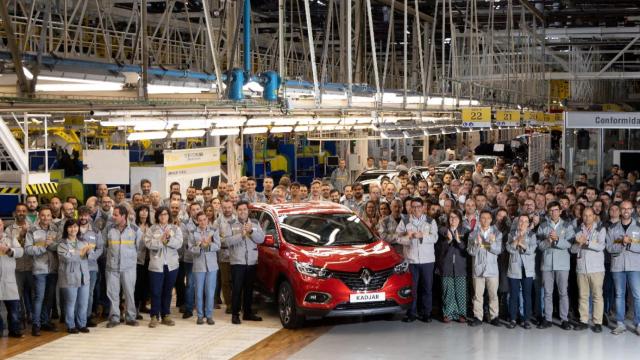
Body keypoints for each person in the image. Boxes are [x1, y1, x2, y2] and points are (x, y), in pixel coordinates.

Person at [396, 197, 438, 322]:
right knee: (412, 289)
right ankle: (411, 313)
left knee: (427, 288)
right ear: (410, 208)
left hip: (427, 260)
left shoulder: (430, 221)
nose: (416, 209)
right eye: (413, 207)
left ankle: (426, 313)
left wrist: (422, 236)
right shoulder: (405, 221)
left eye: (418, 206)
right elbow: (397, 238)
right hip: (411, 260)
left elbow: (435, 238)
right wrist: (408, 238)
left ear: (423, 207)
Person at [224, 201, 265, 324]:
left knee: (249, 289)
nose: (242, 212)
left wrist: (251, 231)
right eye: (240, 210)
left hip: (251, 261)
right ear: (236, 211)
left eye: (245, 209)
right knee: (237, 289)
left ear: (248, 211)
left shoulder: (255, 223)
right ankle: (235, 314)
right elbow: (227, 242)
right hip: (238, 262)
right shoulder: (231, 224)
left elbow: (261, 239)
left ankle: (247, 313)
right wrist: (241, 235)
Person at [536, 201, 575, 330]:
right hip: (547, 264)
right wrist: (548, 240)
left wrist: (557, 240)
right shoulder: (543, 226)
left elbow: (569, 244)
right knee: (547, 293)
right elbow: (539, 246)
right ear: (548, 212)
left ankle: (564, 319)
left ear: (560, 211)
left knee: (563, 292)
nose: (554, 212)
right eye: (551, 210)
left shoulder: (567, 226)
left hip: (563, 264)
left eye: (556, 210)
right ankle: (547, 319)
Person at [104, 205, 143, 328]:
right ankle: (114, 318)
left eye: (116, 215)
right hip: (112, 267)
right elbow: (104, 246)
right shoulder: (109, 228)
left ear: (123, 216)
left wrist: (130, 258)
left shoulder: (135, 230)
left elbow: (140, 248)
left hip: (129, 268)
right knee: (112, 293)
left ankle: (130, 317)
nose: (113, 217)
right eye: (113, 214)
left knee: (129, 293)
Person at [606, 200, 640, 335]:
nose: (626, 211)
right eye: (623, 209)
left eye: (628, 208)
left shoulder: (638, 226)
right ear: (620, 211)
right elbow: (609, 247)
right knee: (619, 295)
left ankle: (638, 323)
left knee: (637, 295)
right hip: (618, 266)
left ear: (632, 210)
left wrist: (630, 244)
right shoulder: (613, 228)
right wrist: (621, 243)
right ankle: (620, 324)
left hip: (635, 266)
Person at [145, 207, 183, 328]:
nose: (163, 217)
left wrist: (168, 240)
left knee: (168, 291)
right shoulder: (151, 229)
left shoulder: (175, 228)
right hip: (156, 265)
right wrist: (161, 242)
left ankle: (166, 314)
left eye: (165, 214)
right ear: (157, 216)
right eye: (160, 215)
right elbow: (148, 243)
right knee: (156, 291)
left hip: (171, 265)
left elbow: (179, 243)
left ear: (169, 216)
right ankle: (154, 316)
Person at [25, 206, 59, 336]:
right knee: (39, 297)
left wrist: (51, 245)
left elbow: (58, 246)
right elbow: (28, 249)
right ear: (39, 216)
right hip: (39, 268)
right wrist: (44, 247)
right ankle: (36, 324)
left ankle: (45, 321)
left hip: (53, 269)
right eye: (43, 215)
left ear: (51, 216)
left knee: (49, 298)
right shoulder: (32, 230)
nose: (46, 218)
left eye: (48, 215)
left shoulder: (55, 229)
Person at [571, 208, 606, 333]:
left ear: (594, 216)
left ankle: (597, 322)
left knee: (597, 296)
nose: (587, 218)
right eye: (585, 215)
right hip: (581, 269)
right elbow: (573, 250)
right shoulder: (577, 230)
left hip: (596, 269)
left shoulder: (600, 229)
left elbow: (601, 246)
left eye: (590, 215)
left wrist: (586, 241)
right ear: (582, 216)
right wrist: (578, 244)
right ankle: (584, 320)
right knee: (583, 296)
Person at [467, 210, 503, 327]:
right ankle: (478, 317)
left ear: (491, 219)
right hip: (478, 269)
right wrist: (477, 244)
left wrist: (487, 244)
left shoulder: (497, 234)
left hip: (492, 270)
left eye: (488, 218)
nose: (485, 220)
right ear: (479, 219)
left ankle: (494, 317)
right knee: (477, 295)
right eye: (483, 218)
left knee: (493, 295)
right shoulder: (473, 234)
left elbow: (498, 250)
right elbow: (470, 252)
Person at [58, 219, 94, 334]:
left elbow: (91, 256)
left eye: (75, 226)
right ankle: (71, 325)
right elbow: (68, 258)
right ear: (66, 229)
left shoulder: (83, 241)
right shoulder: (62, 243)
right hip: (69, 277)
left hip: (84, 276)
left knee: (83, 303)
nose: (73, 229)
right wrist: (81, 252)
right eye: (70, 227)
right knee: (70, 303)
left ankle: (82, 324)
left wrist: (88, 251)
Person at [436, 210, 469, 323]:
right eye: (451, 217)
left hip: (460, 266)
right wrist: (448, 240)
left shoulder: (465, 231)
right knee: (447, 291)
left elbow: (467, 250)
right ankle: (448, 313)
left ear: (460, 219)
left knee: (460, 291)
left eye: (455, 217)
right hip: (446, 266)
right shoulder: (442, 231)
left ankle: (461, 314)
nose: (453, 220)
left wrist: (459, 241)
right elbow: (439, 250)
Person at [505, 215, 537, 329]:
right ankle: (513, 318)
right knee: (513, 295)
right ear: (517, 223)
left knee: (527, 295)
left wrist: (522, 244)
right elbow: (509, 248)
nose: (523, 223)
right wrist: (515, 242)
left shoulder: (532, 235)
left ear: (529, 223)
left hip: (527, 269)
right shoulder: (511, 234)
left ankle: (526, 319)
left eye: (525, 221)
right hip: (514, 268)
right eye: (521, 221)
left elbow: (532, 250)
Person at [189, 212, 221, 325]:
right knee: (198, 292)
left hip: (212, 266)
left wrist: (209, 245)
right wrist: (200, 246)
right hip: (199, 266)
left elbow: (218, 246)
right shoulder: (193, 232)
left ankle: (209, 316)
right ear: (197, 221)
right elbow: (190, 249)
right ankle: (199, 316)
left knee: (210, 292)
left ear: (207, 219)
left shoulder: (213, 231)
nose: (202, 222)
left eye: (204, 219)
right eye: (200, 220)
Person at [6, 203, 33, 327]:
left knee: (32, 294)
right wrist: (21, 235)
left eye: (23, 210)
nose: (21, 213)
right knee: (18, 295)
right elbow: (10, 248)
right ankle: (21, 318)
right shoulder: (9, 229)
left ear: (27, 212)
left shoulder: (33, 227)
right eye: (18, 211)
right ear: (14, 213)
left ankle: (32, 316)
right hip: (16, 268)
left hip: (32, 266)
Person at [76, 207, 103, 328]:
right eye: (81, 215)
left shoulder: (96, 231)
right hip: (76, 267)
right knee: (76, 293)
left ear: (89, 216)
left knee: (89, 293)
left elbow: (100, 248)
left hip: (91, 267)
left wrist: (92, 257)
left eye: (85, 215)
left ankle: (86, 317)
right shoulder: (73, 229)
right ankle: (77, 318)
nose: (83, 218)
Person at [0, 218, 25, 337]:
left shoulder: (9, 238)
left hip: (9, 278)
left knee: (14, 307)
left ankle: (14, 330)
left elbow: (20, 251)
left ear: (2, 225)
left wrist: (9, 250)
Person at [215, 200, 236, 314]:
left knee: (237, 281)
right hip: (223, 256)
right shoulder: (217, 222)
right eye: (225, 207)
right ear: (221, 208)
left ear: (232, 207)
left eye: (229, 207)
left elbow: (241, 236)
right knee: (225, 282)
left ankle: (237, 302)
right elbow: (217, 239)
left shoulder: (238, 220)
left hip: (237, 255)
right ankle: (229, 304)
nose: (227, 210)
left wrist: (227, 240)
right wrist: (231, 241)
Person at [134, 205, 152, 320]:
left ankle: (143, 305)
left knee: (147, 284)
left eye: (146, 211)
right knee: (138, 285)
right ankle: (135, 309)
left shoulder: (151, 226)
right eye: (141, 211)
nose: (144, 213)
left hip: (150, 259)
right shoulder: (134, 226)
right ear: (138, 212)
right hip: (137, 260)